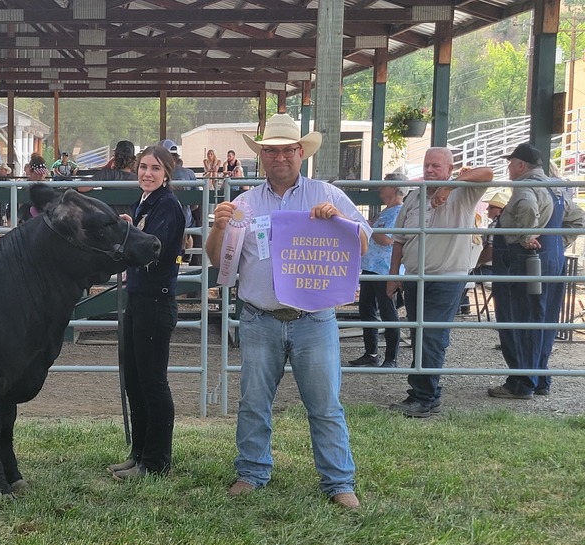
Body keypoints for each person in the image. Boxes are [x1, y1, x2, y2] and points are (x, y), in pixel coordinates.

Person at [204, 114, 370, 510]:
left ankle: (338, 481)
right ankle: (252, 471)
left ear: (301, 152)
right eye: (272, 151)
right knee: (253, 401)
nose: (280, 157)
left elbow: (364, 242)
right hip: (260, 316)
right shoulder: (243, 204)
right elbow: (219, 263)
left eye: (287, 150)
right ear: (262, 156)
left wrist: (341, 222)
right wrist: (218, 229)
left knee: (325, 404)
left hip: (314, 318)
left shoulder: (327, 195)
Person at [385, 147, 494, 417]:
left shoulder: (464, 192)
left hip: (446, 278)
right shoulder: (414, 197)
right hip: (414, 278)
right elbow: (398, 240)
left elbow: (488, 173)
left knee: (431, 335)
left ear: (449, 169)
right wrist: (393, 275)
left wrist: (449, 186)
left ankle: (426, 396)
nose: (430, 170)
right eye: (427, 165)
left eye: (436, 166)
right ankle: (422, 392)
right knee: (419, 334)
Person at [108, 145, 186, 480]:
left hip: (156, 300)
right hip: (139, 299)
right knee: (135, 382)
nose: (147, 174)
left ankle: (156, 463)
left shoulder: (167, 205)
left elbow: (153, 247)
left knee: (152, 383)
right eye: (143, 167)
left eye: (155, 168)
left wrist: (128, 237)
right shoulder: (145, 203)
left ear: (167, 173)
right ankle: (138, 454)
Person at [487, 143, 585, 399]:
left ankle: (521, 383)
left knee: (518, 319)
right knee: (544, 321)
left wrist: (526, 236)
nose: (508, 167)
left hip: (523, 262)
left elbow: (529, 207)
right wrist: (556, 241)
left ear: (521, 165)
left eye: (511, 163)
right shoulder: (557, 188)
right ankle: (540, 378)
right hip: (552, 260)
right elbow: (578, 219)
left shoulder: (525, 187)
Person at [349, 172, 409, 369]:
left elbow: (387, 239)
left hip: (385, 270)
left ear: (394, 188)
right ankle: (371, 352)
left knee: (388, 312)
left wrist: (367, 227)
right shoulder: (384, 212)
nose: (379, 189)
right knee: (366, 309)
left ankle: (391, 358)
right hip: (371, 268)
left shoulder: (400, 212)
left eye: (383, 185)